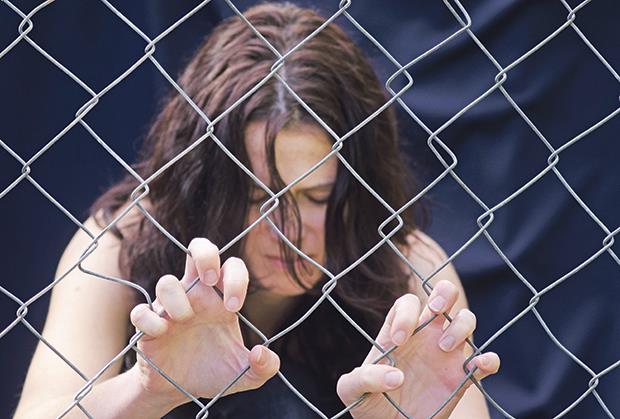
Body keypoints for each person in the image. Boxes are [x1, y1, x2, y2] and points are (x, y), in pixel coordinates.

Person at [13, 3, 500, 418]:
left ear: (359, 191)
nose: (289, 232)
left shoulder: (406, 264)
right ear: (204, 184)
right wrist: (148, 389)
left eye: (317, 197)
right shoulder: (124, 242)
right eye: (259, 198)